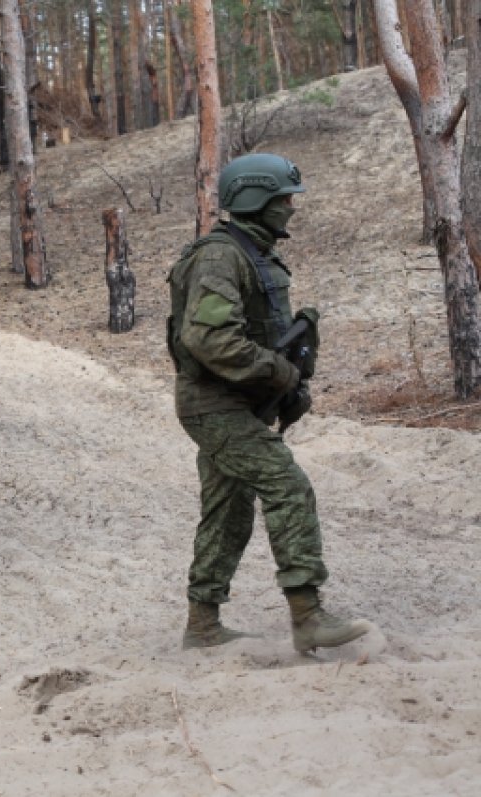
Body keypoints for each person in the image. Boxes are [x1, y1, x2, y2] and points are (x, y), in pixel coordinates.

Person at [166, 153, 370, 653]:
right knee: (288, 485)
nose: (291, 209)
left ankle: (203, 626)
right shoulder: (220, 257)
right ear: (256, 198)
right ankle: (308, 615)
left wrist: (286, 384)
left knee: (228, 511)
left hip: (237, 402)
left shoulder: (252, 253)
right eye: (283, 199)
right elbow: (211, 341)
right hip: (214, 404)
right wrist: (280, 372)